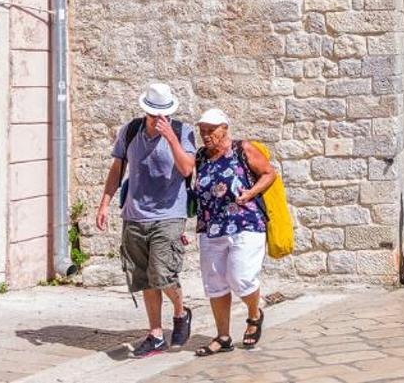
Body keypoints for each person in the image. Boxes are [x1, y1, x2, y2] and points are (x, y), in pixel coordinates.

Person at [95, 81, 198, 358]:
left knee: (162, 274)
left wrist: (171, 139)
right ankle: (155, 334)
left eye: (163, 115)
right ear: (145, 112)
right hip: (134, 215)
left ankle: (180, 312)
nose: (158, 120)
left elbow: (187, 168)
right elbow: (117, 169)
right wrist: (104, 203)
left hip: (169, 215)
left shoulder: (182, 132)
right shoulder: (130, 132)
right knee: (143, 277)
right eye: (153, 115)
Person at [190, 107, 277, 355]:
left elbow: (269, 173)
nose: (206, 136)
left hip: (245, 222)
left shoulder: (243, 149)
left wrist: (251, 193)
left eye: (211, 131)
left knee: (242, 277)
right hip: (211, 226)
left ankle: (254, 314)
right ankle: (223, 337)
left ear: (224, 129)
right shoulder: (200, 156)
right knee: (215, 283)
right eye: (202, 131)